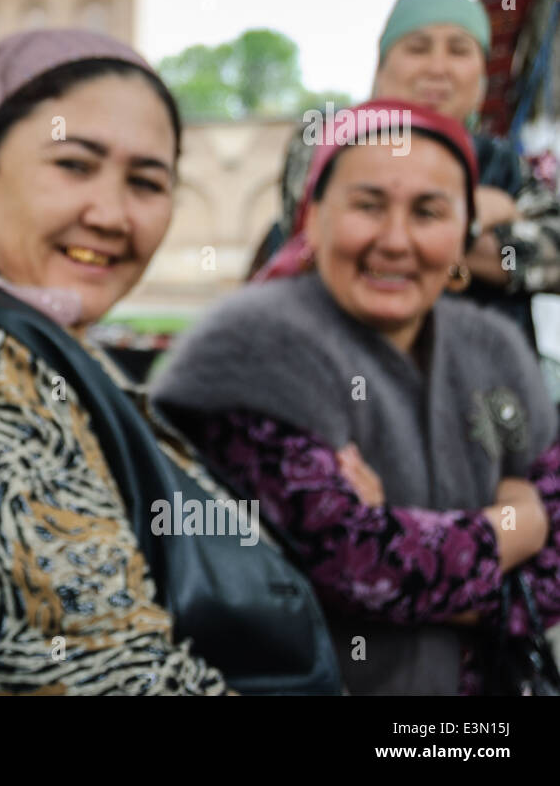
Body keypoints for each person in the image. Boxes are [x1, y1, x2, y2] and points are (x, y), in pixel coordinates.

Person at [0, 29, 340, 696]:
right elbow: (105, 680)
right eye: (74, 165)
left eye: (147, 182)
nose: (112, 214)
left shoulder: (40, 342)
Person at [154, 100, 560, 695]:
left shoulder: (490, 349)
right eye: (368, 205)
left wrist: (407, 536)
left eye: (429, 211)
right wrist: (517, 526)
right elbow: (362, 568)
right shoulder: (250, 350)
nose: (395, 241)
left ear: (463, 236)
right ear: (313, 218)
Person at [251, 0, 560, 351]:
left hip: (491, 388)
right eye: (418, 48)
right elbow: (324, 239)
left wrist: (450, 238)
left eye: (459, 51)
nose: (437, 67)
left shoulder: (503, 162)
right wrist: (477, 215)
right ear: (381, 69)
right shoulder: (329, 138)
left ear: (481, 82)